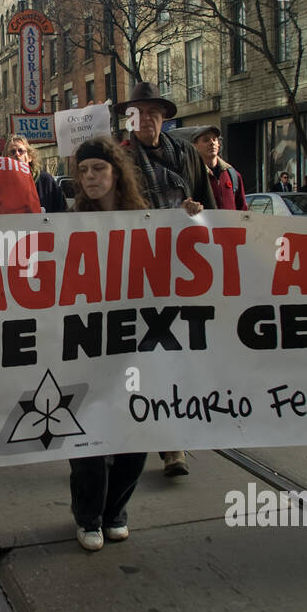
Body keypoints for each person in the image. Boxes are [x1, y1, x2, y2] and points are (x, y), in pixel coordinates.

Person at [114, 81, 213, 478]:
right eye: (140, 112)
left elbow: (212, 208)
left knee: (175, 356)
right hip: (137, 272)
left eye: (155, 112)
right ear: (130, 118)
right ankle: (134, 430)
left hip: (183, 270)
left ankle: (172, 443)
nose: (148, 119)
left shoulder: (187, 155)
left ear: (164, 117)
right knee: (141, 358)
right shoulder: (118, 158)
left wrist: (197, 211)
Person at [67, 137, 151, 550]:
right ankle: (89, 517)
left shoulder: (147, 219)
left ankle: (116, 510)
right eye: (83, 171)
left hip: (135, 342)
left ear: (116, 171)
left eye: (97, 168)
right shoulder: (69, 221)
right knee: (87, 433)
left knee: (135, 430)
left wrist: (191, 217)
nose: (89, 178)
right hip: (85, 343)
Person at [5, 135, 66, 213]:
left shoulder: (46, 181)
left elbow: (61, 211)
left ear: (30, 157)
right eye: (12, 152)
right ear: (5, 159)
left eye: (21, 151)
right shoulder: (1, 184)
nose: (17, 154)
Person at [193, 126, 248, 211]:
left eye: (214, 139)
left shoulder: (233, 175)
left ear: (218, 144)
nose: (212, 143)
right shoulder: (192, 176)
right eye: (206, 140)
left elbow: (243, 211)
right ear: (195, 146)